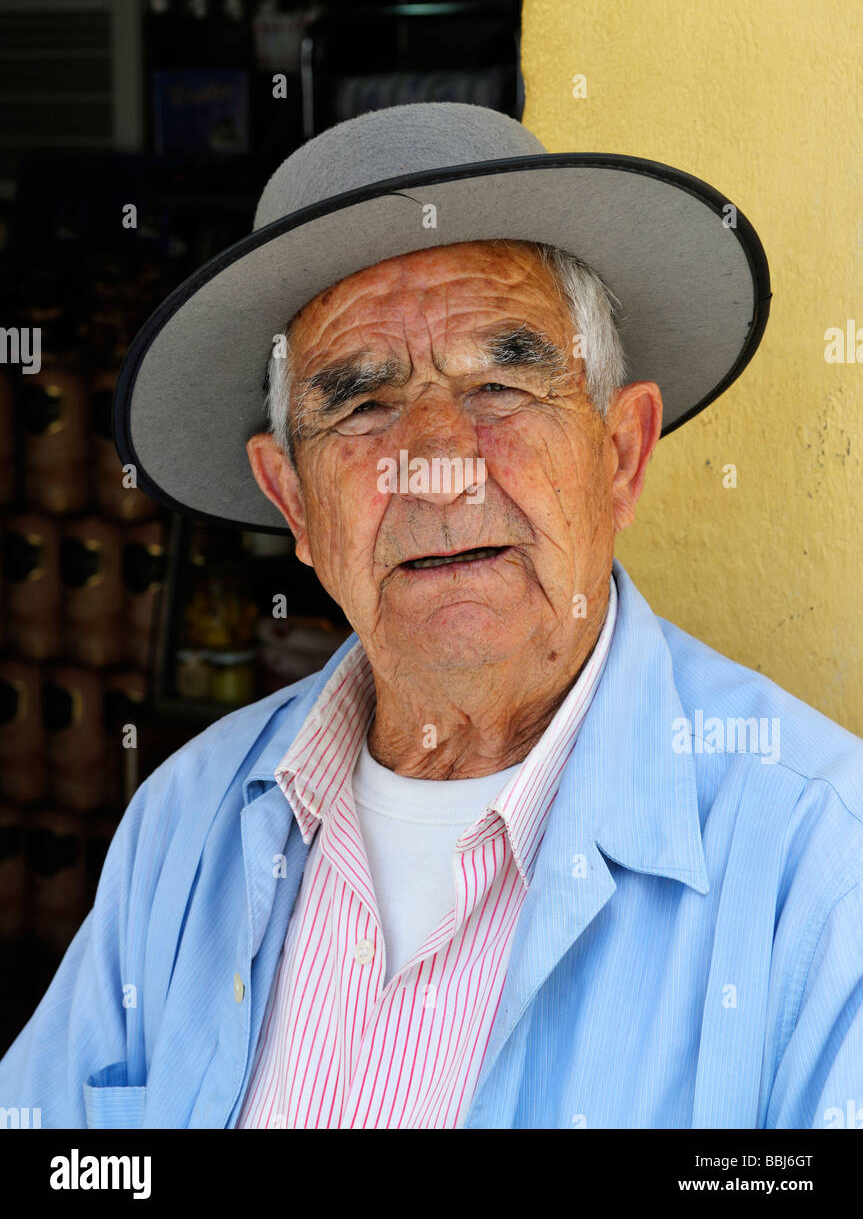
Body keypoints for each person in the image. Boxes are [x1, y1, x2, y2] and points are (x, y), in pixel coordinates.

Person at [2, 103, 861, 1129]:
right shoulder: (185, 827)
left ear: (620, 455)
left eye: (501, 383)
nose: (437, 466)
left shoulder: (819, 864)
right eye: (361, 406)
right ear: (294, 504)